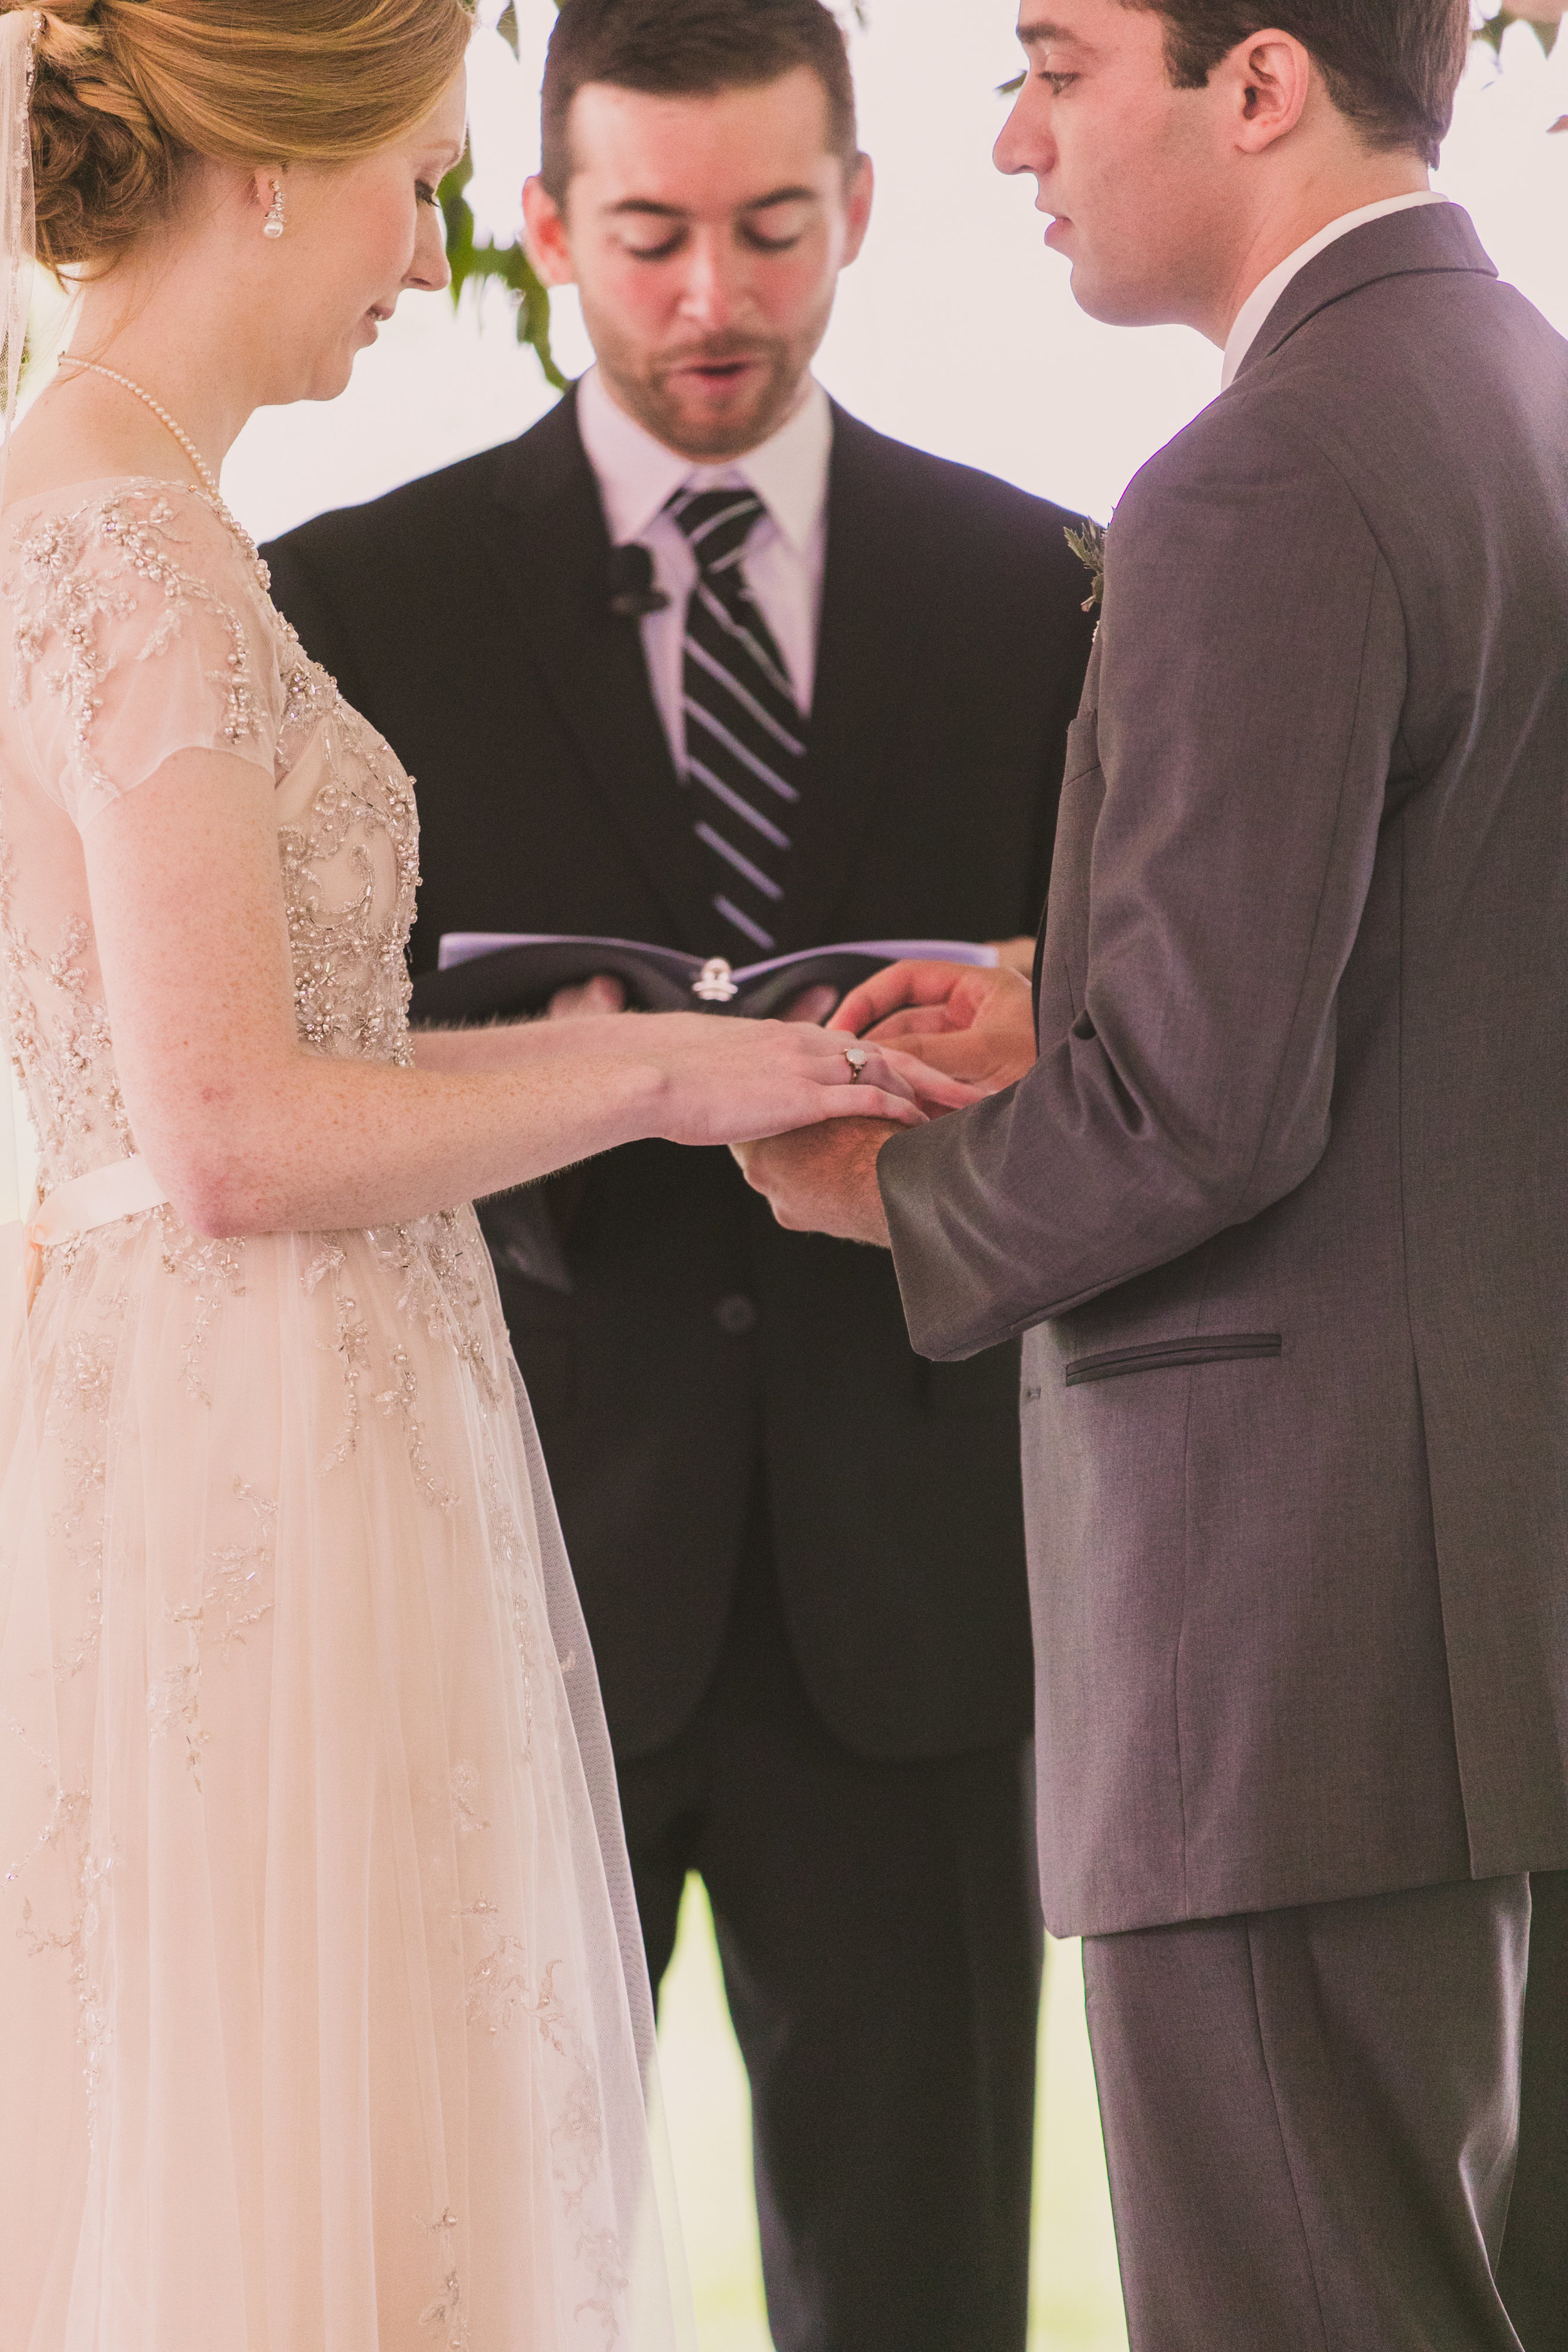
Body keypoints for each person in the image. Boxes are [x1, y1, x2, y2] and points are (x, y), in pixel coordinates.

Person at [0, 4, 963, 2344]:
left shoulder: (106, 499)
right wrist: (656, 1079)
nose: (431, 260)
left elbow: (227, 1077)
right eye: (420, 182)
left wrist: (650, 1057)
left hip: (246, 1415)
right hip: (256, 1438)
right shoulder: (130, 544)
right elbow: (230, 1134)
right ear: (266, 165)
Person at [736, 1, 1568, 2346]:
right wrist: (1070, 986)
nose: (1013, 137)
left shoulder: (1256, 474)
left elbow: (1204, 1110)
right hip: (1492, 1627)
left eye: (1057, 62)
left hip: (1283, 1653)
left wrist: (872, 1186)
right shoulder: (1516, 389)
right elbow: (1449, 969)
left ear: (1259, 83)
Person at [263, 6, 1094, 2344]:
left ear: (860, 208)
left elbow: (1131, 1045)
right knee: (476, 2279)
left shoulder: (1049, 585)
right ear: (541, 227)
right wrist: (552, 1074)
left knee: (923, 2287)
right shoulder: (348, 597)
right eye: (647, 237)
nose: (712, 298)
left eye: (768, 228)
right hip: (512, 1560)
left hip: (924, 1590)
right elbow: (277, 1070)